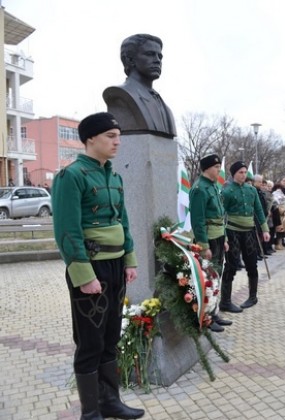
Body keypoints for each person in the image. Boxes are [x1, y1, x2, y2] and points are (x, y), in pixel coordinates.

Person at [52, 112, 145, 419]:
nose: (117, 142)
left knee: (110, 338)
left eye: (118, 136)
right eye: (110, 136)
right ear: (91, 138)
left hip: (116, 267)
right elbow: (67, 230)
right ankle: (90, 412)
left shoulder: (114, 176)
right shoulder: (72, 176)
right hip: (91, 269)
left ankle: (110, 402)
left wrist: (129, 260)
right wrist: (83, 274)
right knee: (89, 342)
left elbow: (124, 221)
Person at [189, 154, 232, 333]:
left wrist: (225, 239)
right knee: (207, 278)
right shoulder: (199, 189)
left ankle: (214, 313)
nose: (219, 170)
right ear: (207, 168)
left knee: (216, 276)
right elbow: (197, 219)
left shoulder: (214, 186)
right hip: (207, 238)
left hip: (218, 236)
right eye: (216, 167)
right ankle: (205, 317)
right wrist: (204, 245)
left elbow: (220, 217)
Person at [219, 161, 270, 312]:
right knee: (232, 265)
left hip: (249, 232)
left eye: (245, 172)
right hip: (233, 231)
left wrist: (265, 229)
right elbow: (221, 214)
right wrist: (224, 237)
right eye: (240, 172)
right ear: (234, 174)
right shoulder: (227, 191)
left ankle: (253, 297)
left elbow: (259, 211)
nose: (244, 175)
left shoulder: (252, 190)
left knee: (251, 263)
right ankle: (225, 301)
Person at [103, 34, 176, 138]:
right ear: (129, 59)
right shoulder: (119, 96)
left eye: (159, 56)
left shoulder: (163, 105)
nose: (157, 60)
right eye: (150, 54)